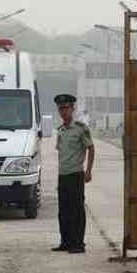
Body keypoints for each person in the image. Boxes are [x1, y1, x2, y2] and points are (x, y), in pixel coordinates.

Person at [52, 94, 95, 254]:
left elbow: (91, 148)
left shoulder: (80, 128)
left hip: (76, 175)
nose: (63, 111)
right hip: (63, 175)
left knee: (77, 210)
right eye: (60, 109)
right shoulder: (61, 131)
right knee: (63, 210)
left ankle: (78, 243)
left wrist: (88, 170)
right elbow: (61, 151)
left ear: (72, 109)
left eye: (66, 108)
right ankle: (66, 241)